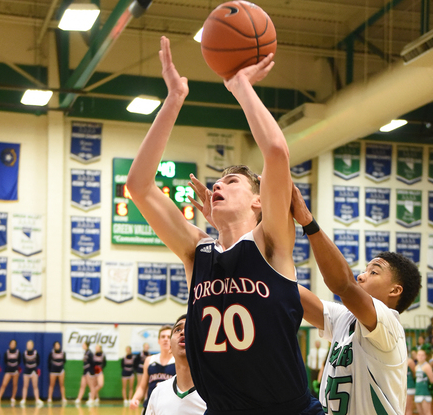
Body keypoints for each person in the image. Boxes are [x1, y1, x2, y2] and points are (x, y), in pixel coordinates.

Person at [126, 36, 321, 414]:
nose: (218, 185)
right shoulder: (197, 251)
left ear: (258, 201)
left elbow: (276, 153)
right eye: (217, 182)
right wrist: (174, 99)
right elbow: (138, 186)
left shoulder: (271, 242)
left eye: (232, 182)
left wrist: (240, 86)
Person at [281, 185, 421, 415]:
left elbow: (343, 285)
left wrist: (308, 222)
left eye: (374, 272)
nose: (362, 275)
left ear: (395, 291)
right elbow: (289, 291)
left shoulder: (389, 325)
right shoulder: (344, 318)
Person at [145, 315, 206, 415]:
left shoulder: (216, 393)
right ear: (170, 348)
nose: (182, 332)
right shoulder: (158, 393)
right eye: (177, 330)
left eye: (189, 328)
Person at [129, 325, 175, 413]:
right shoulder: (149, 360)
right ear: (158, 340)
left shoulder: (178, 361)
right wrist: (135, 398)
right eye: (163, 337)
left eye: (169, 337)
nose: (165, 339)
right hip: (150, 407)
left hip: (169, 408)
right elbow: (142, 387)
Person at [0, 339, 21, 405]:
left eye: (14, 344)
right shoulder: (6, 352)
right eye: (11, 343)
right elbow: (5, 361)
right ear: (9, 345)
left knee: (15, 384)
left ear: (15, 345)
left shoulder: (18, 352)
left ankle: (13, 398)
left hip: (15, 370)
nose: (12, 345)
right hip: (8, 370)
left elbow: (19, 361)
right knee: (4, 384)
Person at [20, 340, 43, 407]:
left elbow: (38, 362)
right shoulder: (24, 353)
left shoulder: (36, 353)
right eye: (28, 345)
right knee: (25, 386)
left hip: (34, 371)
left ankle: (37, 399)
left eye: (30, 345)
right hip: (26, 371)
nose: (29, 346)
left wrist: (34, 369)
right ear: (26, 346)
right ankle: (23, 399)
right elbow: (24, 362)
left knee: (35, 386)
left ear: (32, 346)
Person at [75, 341, 98, 406]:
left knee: (91, 386)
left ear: (86, 345)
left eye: (83, 344)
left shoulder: (90, 353)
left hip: (89, 370)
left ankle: (92, 399)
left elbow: (93, 363)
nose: (82, 345)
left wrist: (91, 371)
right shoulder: (85, 353)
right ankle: (79, 399)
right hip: (85, 370)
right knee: (82, 385)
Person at [415, 349, 433, 415]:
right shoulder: (416, 367)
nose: (420, 357)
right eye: (419, 355)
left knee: (427, 412)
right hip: (418, 392)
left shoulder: (427, 366)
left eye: (422, 355)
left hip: (425, 392)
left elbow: (432, 380)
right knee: (420, 413)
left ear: (425, 356)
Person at [47, 341, 67, 405]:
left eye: (58, 345)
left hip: (61, 370)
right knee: (51, 385)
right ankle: (49, 398)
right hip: (53, 371)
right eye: (56, 345)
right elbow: (49, 362)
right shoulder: (51, 353)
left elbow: (64, 361)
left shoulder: (63, 353)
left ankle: (63, 398)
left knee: (62, 385)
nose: (57, 346)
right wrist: (51, 369)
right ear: (54, 346)